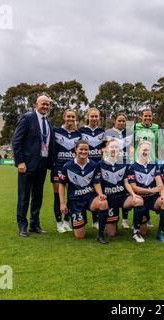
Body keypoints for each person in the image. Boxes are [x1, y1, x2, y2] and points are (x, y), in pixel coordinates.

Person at [12, 95, 55, 237]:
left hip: (42, 164)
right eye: (43, 104)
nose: (45, 107)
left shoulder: (48, 122)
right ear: (36, 104)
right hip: (27, 165)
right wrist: (20, 162)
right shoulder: (27, 118)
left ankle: (34, 224)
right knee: (24, 196)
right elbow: (16, 141)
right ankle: (22, 226)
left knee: (38, 196)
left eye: (48, 105)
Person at [96, 139, 146, 243]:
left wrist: (133, 194)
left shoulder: (123, 164)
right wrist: (101, 194)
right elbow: (97, 183)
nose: (114, 149)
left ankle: (136, 232)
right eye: (112, 147)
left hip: (122, 197)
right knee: (112, 234)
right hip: (109, 199)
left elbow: (126, 182)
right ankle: (104, 229)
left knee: (139, 201)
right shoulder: (100, 164)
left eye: (116, 147)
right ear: (106, 149)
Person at [58, 140, 109, 240]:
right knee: (80, 236)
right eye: (81, 149)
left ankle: (101, 234)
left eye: (86, 149)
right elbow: (61, 185)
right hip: (75, 201)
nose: (84, 152)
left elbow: (96, 182)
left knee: (103, 203)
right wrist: (62, 203)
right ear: (75, 150)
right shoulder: (67, 166)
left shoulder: (94, 165)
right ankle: (78, 222)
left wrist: (100, 194)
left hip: (90, 197)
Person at [128, 140, 164, 242]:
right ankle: (137, 231)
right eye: (144, 149)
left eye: (148, 150)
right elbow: (134, 187)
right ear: (139, 150)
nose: (146, 152)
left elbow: (159, 182)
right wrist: (151, 190)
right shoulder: (132, 167)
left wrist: (163, 195)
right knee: (143, 232)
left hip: (152, 199)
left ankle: (160, 232)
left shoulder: (154, 165)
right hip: (140, 199)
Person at [51, 109, 81, 233]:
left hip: (72, 169)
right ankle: (59, 224)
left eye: (72, 117)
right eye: (68, 116)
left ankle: (67, 222)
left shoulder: (78, 134)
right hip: (58, 168)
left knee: (71, 196)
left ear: (75, 118)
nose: (70, 119)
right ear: (64, 117)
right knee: (58, 197)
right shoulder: (56, 131)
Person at [104, 113, 134, 229]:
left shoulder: (130, 133)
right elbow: (105, 148)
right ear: (115, 121)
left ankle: (125, 220)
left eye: (123, 121)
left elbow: (132, 148)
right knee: (114, 190)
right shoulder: (108, 133)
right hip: (113, 165)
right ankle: (111, 218)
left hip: (126, 165)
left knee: (125, 191)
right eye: (119, 121)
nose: (121, 123)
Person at [78, 107, 105, 229]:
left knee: (97, 193)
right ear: (87, 117)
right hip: (85, 167)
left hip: (99, 168)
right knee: (82, 192)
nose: (94, 118)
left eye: (96, 116)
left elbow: (106, 147)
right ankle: (80, 220)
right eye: (92, 116)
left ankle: (96, 220)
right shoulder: (81, 131)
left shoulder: (102, 131)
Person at [133, 108, 159, 228]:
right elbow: (131, 145)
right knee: (138, 190)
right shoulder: (135, 127)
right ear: (141, 117)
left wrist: (160, 162)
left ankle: (147, 219)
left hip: (152, 162)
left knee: (149, 187)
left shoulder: (156, 128)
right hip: (138, 162)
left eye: (149, 116)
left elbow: (161, 145)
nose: (147, 118)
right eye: (145, 116)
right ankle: (136, 219)